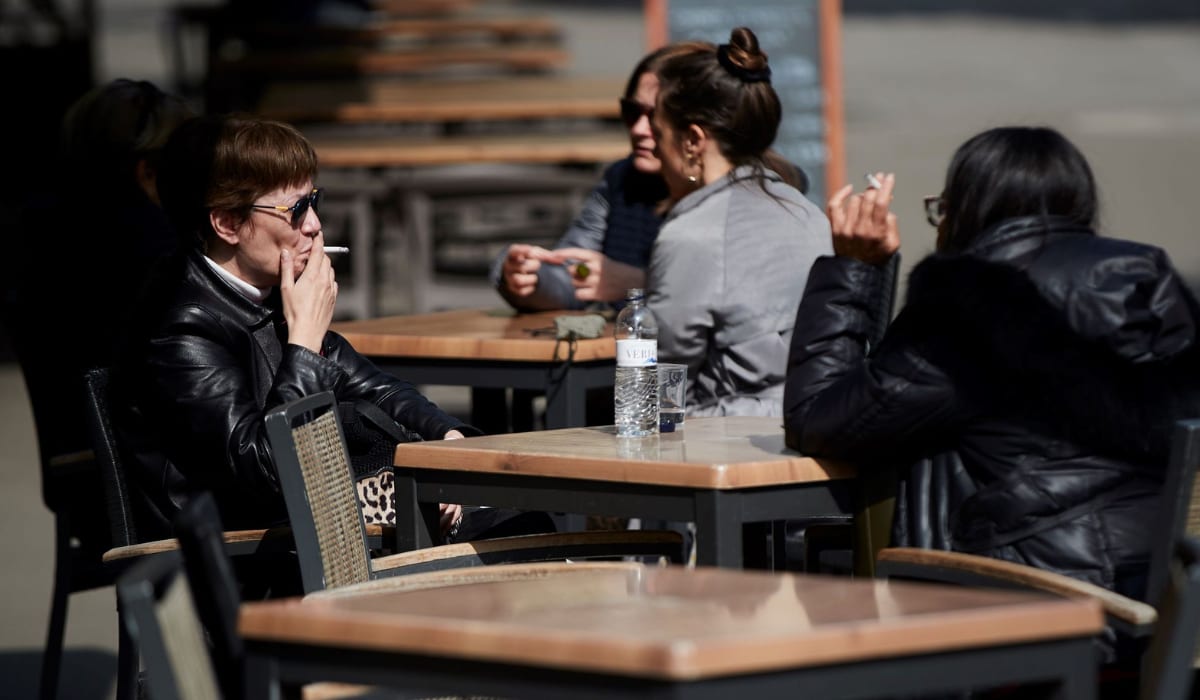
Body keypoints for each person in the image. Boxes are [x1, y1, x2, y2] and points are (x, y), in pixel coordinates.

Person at [784, 126, 1200, 614]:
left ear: (966, 210)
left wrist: (854, 267)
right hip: (1165, 597)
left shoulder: (968, 308)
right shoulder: (1152, 285)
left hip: (1038, 607)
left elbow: (819, 419)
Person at [112, 114, 548, 543]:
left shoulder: (265, 292)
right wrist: (303, 341)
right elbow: (266, 470)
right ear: (227, 223)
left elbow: (377, 389)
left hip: (313, 527)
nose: (315, 224)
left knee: (518, 511)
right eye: (295, 209)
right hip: (252, 557)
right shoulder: (180, 328)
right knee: (513, 527)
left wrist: (446, 438)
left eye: (314, 201)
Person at [641, 27, 832, 417]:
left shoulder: (693, 235)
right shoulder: (807, 212)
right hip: (815, 422)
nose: (656, 150)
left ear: (693, 140)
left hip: (726, 444)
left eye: (659, 134)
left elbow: (660, 383)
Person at [5, 78, 195, 461]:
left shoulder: (35, 231)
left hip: (78, 464)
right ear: (149, 171)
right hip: (160, 480)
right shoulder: (159, 252)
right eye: (192, 161)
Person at [488, 44, 688, 312]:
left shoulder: (732, 196)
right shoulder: (621, 179)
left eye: (655, 118)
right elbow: (575, 274)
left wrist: (640, 284)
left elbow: (737, 297)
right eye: (632, 112)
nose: (640, 129)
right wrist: (526, 276)